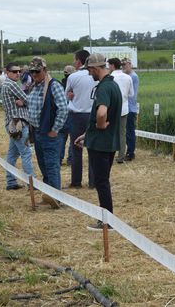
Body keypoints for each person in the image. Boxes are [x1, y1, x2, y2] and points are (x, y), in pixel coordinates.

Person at [74, 53, 122, 230]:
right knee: (103, 180)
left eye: (89, 70)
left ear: (95, 68)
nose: (89, 74)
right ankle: (107, 218)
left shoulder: (103, 88)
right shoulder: (113, 85)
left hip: (100, 144)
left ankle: (106, 221)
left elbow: (101, 113)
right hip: (107, 142)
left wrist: (99, 127)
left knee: (101, 182)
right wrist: (88, 134)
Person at [27, 56, 68, 204]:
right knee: (43, 165)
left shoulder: (54, 85)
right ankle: (48, 195)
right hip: (37, 131)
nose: (34, 74)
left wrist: (55, 129)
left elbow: (63, 109)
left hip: (49, 133)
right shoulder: (34, 86)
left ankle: (57, 198)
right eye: (32, 72)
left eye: (37, 72)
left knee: (51, 165)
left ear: (45, 70)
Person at [1, 62, 34, 190]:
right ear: (7, 72)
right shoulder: (12, 84)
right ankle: (32, 183)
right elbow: (28, 100)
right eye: (14, 72)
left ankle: (10, 182)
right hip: (18, 123)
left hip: (11, 123)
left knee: (12, 154)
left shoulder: (5, 84)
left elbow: (23, 101)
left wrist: (23, 102)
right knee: (26, 153)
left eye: (19, 71)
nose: (18, 74)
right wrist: (24, 102)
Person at [65, 49, 96, 188]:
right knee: (92, 149)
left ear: (78, 61)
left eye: (74, 59)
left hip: (76, 115)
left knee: (76, 149)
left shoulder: (73, 77)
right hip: (93, 114)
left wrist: (72, 94)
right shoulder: (95, 75)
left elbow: (67, 94)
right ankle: (93, 181)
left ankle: (76, 181)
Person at [109, 58, 133, 164]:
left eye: (109, 65)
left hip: (111, 109)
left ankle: (110, 154)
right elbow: (131, 94)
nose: (108, 67)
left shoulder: (110, 78)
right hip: (124, 108)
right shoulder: (128, 77)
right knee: (122, 133)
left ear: (113, 66)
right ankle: (121, 156)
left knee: (110, 132)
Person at [122, 58, 139, 161]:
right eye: (123, 65)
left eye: (125, 65)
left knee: (129, 131)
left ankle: (130, 152)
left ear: (130, 64)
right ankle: (129, 151)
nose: (124, 67)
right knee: (127, 131)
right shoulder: (129, 76)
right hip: (128, 107)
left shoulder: (132, 76)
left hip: (130, 107)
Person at [60, 65, 76, 166]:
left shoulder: (60, 85)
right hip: (72, 113)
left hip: (62, 114)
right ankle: (71, 159)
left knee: (62, 137)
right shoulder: (74, 85)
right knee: (73, 138)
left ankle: (59, 158)